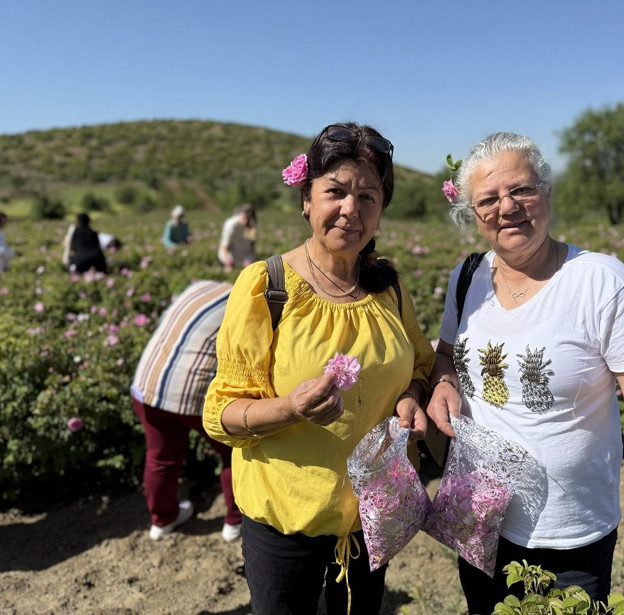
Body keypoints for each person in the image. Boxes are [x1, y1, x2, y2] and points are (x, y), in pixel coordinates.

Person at [426, 132, 624, 613]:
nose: (506, 207)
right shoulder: (465, 277)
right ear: (473, 215)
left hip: (568, 526)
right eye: (488, 199)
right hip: (479, 512)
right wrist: (444, 381)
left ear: (546, 192)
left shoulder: (600, 280)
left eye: (521, 190)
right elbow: (447, 355)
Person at [203, 122, 435, 615]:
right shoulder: (266, 286)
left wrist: (412, 396)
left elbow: (420, 363)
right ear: (307, 199)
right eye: (336, 192)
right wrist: (289, 408)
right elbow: (221, 413)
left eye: (368, 196)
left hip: (372, 515)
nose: (351, 208)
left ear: (381, 210)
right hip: (286, 522)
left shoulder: (387, 287)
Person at [131, 280, 242, 542]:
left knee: (161, 457)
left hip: (147, 383)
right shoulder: (247, 302)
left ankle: (162, 521)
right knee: (234, 450)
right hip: (189, 391)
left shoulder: (200, 287)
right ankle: (235, 522)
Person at [218, 203, 257, 271]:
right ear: (241, 214)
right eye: (245, 218)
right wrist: (229, 261)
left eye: (248, 219)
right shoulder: (231, 224)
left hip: (245, 256)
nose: (246, 222)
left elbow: (252, 245)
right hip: (230, 255)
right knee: (229, 271)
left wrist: (250, 260)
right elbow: (224, 247)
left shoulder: (253, 224)